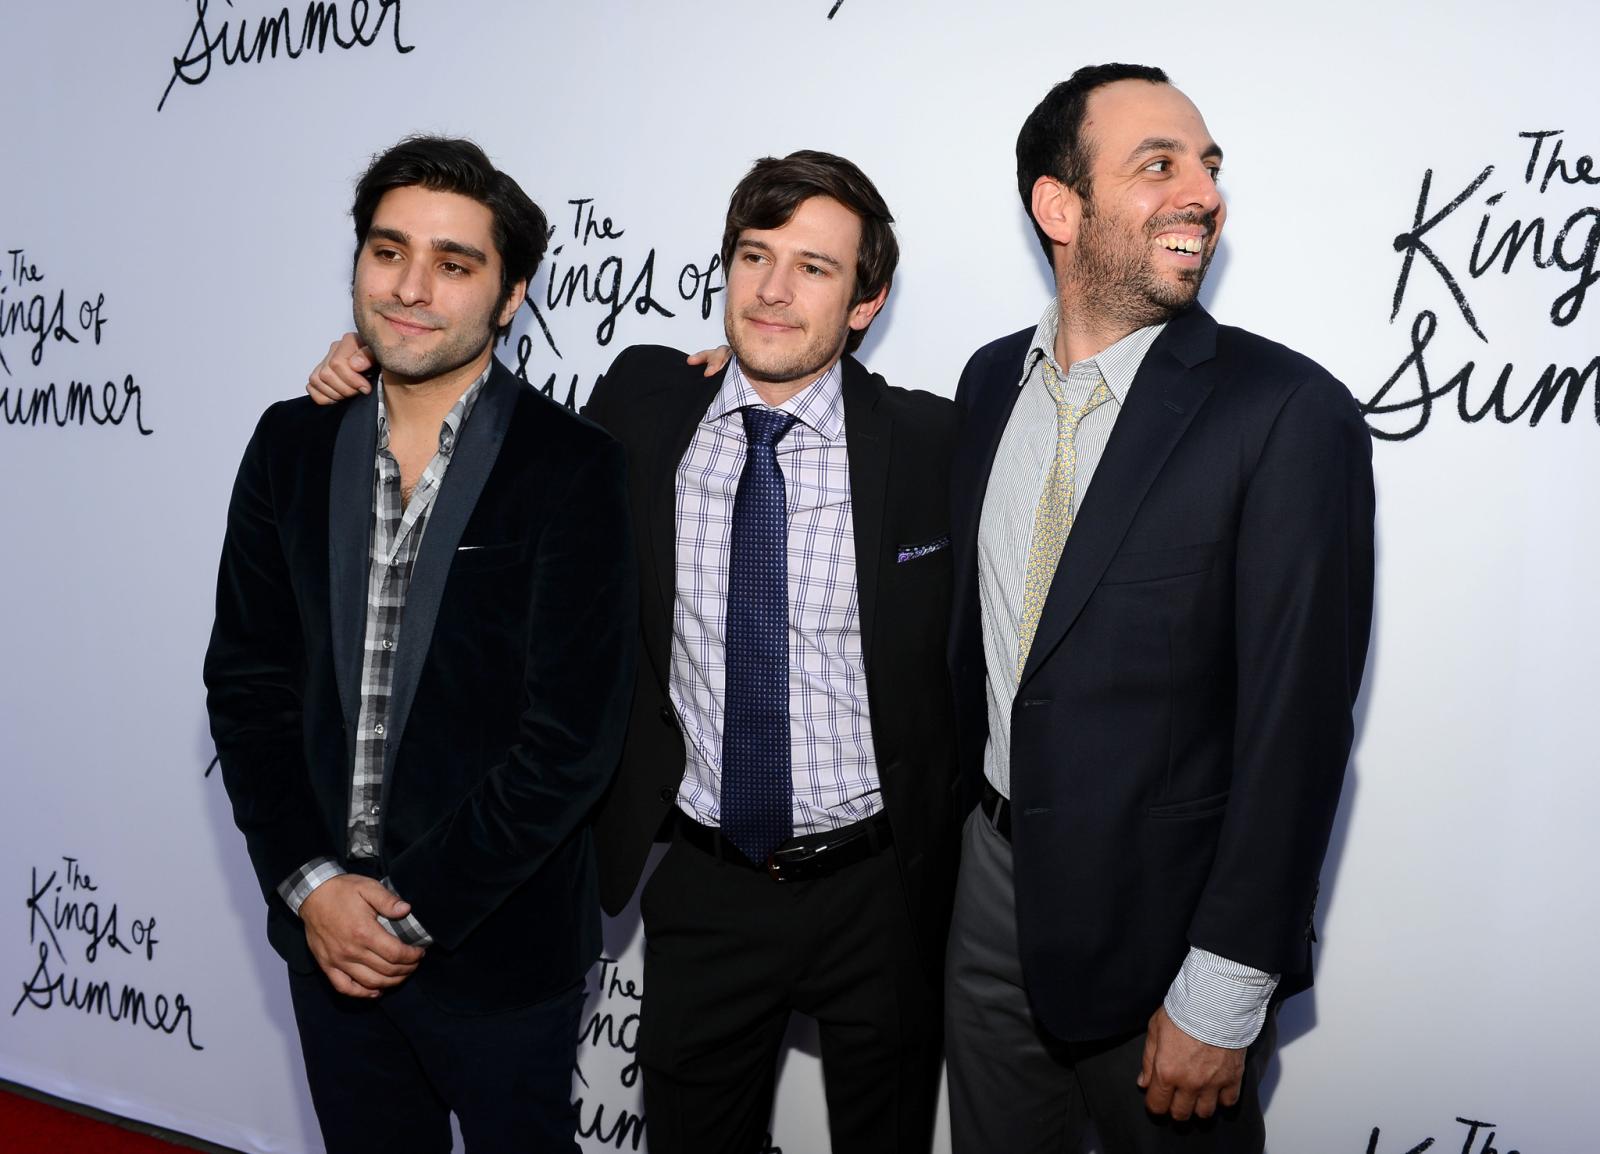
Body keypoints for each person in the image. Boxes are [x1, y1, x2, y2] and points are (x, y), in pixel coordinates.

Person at [307, 149, 959, 1154]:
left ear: (865, 302)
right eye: (754, 256)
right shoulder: (645, 398)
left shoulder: (933, 442)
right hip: (706, 877)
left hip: (884, 885)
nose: (773, 289)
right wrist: (374, 372)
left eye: (814, 268)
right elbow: (501, 454)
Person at [944, 65, 1376, 1154]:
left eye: (1209, 166)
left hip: (1167, 934)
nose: (1203, 193)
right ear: (1060, 206)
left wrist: (1226, 984)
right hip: (985, 894)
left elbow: (1297, 729)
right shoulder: (986, 384)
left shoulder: (1287, 411)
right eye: (1158, 164)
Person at [204, 135, 636, 1154]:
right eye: (389, 251)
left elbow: (569, 742)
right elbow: (249, 687)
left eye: (454, 263)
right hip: (322, 940)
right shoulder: (289, 443)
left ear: (511, 294)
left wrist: (401, 914)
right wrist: (314, 888)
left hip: (497, 950)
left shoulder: (573, 467)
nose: (410, 287)